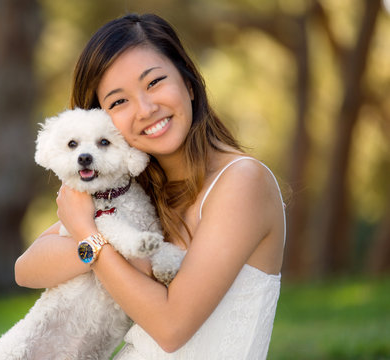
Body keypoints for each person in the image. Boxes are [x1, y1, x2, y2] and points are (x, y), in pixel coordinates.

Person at [15, 13, 286, 359]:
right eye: (118, 102)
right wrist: (100, 243)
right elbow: (26, 269)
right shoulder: (137, 192)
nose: (145, 109)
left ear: (188, 82)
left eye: (154, 82)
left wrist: (89, 235)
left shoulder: (242, 181)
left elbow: (172, 327)